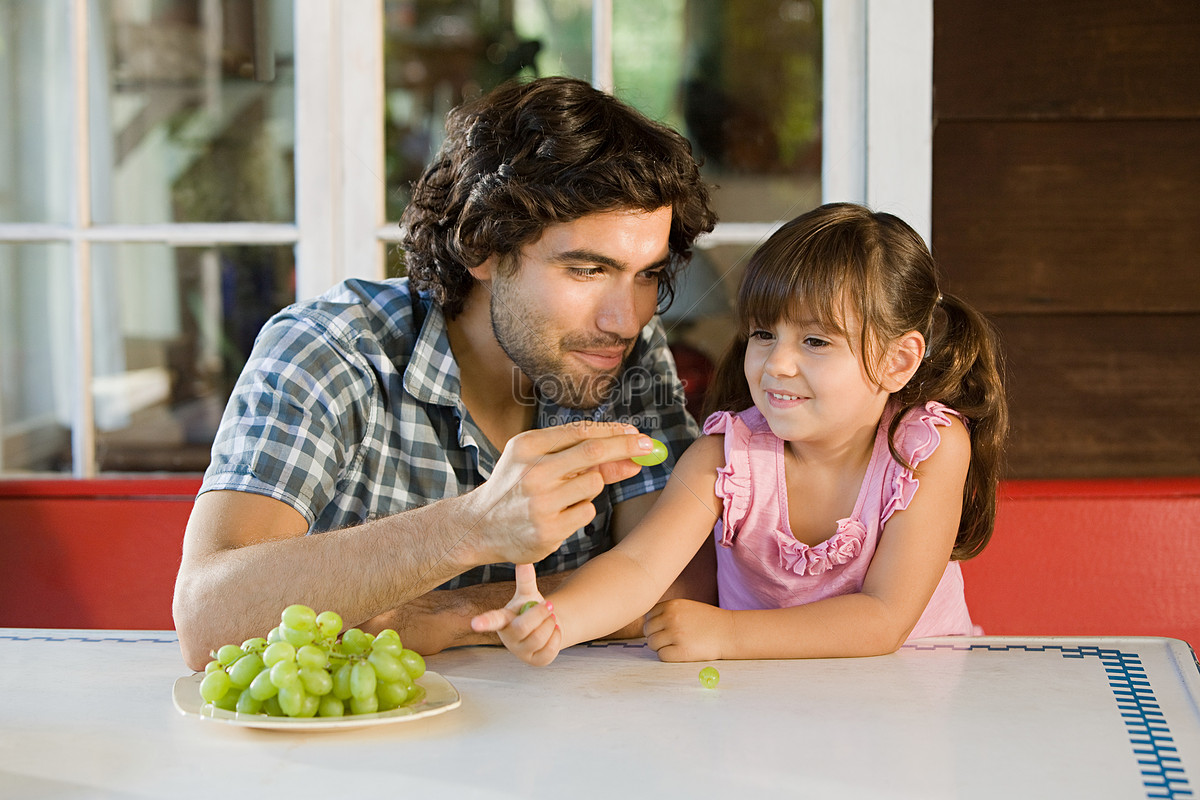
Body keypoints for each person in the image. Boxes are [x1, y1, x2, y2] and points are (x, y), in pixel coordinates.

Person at [173, 76, 717, 670]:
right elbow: (209, 618)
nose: (626, 317)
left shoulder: (621, 353)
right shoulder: (331, 349)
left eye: (646, 275)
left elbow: (680, 587)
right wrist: (473, 527)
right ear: (482, 246)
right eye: (587, 269)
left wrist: (442, 615)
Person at [472, 202, 1008, 664]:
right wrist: (554, 617)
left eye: (816, 342)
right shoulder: (725, 456)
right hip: (759, 705)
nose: (777, 364)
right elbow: (639, 567)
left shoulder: (926, 449)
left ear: (898, 360)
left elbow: (883, 619)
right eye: (763, 334)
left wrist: (726, 632)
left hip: (913, 698)